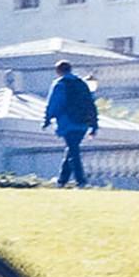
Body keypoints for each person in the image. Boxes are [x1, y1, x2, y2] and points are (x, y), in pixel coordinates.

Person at [41, 60, 98, 188]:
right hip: (83, 123)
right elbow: (91, 104)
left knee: (73, 151)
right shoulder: (82, 83)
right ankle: (62, 180)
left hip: (68, 122)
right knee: (72, 149)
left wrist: (47, 119)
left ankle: (81, 180)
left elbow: (54, 103)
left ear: (58, 71)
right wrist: (94, 126)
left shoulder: (60, 84)